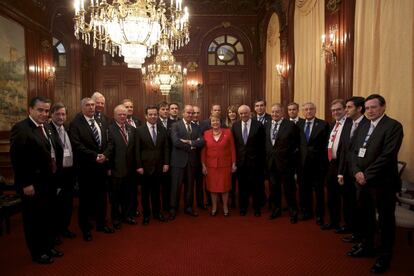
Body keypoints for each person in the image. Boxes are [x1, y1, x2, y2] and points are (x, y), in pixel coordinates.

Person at [348, 94, 403, 274]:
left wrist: (366, 175)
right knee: (366, 217)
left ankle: (385, 255)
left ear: (383, 107)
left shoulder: (393, 126)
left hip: (383, 184)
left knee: (386, 221)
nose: (370, 111)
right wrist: (356, 172)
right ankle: (367, 245)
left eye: (373, 107)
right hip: (362, 182)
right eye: (367, 108)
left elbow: (387, 156)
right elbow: (354, 151)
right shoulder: (363, 125)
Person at [10, 96, 63, 264]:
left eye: (46, 111)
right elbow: (17, 160)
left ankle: (48, 247)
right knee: (34, 220)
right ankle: (37, 252)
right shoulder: (21, 129)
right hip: (32, 184)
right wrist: (26, 184)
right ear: (30, 110)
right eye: (40, 110)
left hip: (48, 182)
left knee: (47, 217)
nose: (44, 113)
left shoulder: (46, 127)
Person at [69, 97, 114, 242]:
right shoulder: (76, 124)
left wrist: (105, 155)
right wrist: (95, 156)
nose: (91, 108)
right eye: (88, 105)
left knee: (102, 198)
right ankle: (86, 229)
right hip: (86, 169)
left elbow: (110, 142)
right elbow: (76, 145)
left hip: (101, 167)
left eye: (93, 105)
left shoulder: (101, 121)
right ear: (82, 107)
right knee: (86, 201)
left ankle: (101, 224)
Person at [338, 96, 369, 243]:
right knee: (349, 201)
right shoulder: (348, 123)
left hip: (360, 172)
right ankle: (352, 228)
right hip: (347, 171)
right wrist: (341, 172)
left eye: (349, 107)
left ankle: (361, 235)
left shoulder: (368, 124)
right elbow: (344, 150)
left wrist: (358, 172)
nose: (346, 110)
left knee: (360, 206)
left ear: (359, 108)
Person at [265, 104, 300, 223]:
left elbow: (296, 145)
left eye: (277, 112)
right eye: (273, 112)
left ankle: (293, 211)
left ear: (282, 113)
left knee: (289, 189)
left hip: (286, 164)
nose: (275, 114)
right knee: (274, 189)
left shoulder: (290, 125)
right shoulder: (267, 124)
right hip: (271, 163)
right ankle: (276, 210)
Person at [169, 105, 205, 219]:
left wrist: (190, 142)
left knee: (190, 187)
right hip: (178, 162)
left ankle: (188, 207)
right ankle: (173, 208)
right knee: (176, 187)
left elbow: (202, 141)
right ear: (183, 113)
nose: (190, 115)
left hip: (191, 162)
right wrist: (192, 145)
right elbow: (176, 142)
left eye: (192, 113)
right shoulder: (175, 125)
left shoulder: (196, 127)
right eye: (188, 113)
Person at [136, 106, 170, 225]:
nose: (153, 116)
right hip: (145, 167)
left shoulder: (162, 129)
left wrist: (166, 163)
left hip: (159, 166)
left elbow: (166, 147)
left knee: (156, 192)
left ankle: (157, 213)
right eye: (150, 114)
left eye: (155, 114)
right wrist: (139, 166)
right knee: (145, 193)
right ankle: (146, 215)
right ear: (146, 116)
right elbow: (137, 150)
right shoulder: (139, 130)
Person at [297, 102, 330, 225]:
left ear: (315, 110)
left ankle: (320, 214)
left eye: (311, 109)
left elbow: (327, 145)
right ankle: (307, 212)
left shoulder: (323, 124)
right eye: (306, 109)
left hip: (318, 165)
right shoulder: (298, 124)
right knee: (304, 190)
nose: (308, 111)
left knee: (319, 191)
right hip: (302, 164)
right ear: (303, 111)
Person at [232, 105, 265, 217]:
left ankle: (257, 208)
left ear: (250, 113)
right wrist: (234, 162)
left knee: (256, 186)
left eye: (245, 113)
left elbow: (262, 145)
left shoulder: (258, 125)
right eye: (241, 113)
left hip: (255, 162)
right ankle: (243, 207)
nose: (243, 115)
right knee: (242, 186)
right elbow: (234, 146)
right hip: (241, 162)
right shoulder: (235, 126)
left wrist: (262, 163)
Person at [49, 103, 76, 241]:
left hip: (69, 173)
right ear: (52, 115)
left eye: (63, 114)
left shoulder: (67, 128)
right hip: (56, 175)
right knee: (55, 206)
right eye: (58, 114)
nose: (61, 117)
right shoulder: (48, 130)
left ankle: (64, 228)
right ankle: (54, 233)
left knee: (67, 204)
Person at [107, 105, 137, 229]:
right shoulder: (109, 129)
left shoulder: (131, 129)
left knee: (128, 195)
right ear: (114, 115)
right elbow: (108, 149)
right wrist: (108, 168)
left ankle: (127, 216)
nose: (122, 116)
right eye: (120, 114)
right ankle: (116, 218)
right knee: (115, 197)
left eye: (124, 114)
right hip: (115, 169)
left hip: (129, 169)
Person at [201, 114, 236, 216]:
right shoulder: (206, 133)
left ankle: (225, 207)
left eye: (217, 121)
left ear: (220, 122)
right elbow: (203, 151)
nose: (215, 123)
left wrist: (233, 163)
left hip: (225, 165)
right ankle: (214, 207)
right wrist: (203, 165)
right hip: (211, 166)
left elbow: (232, 149)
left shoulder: (228, 132)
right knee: (213, 188)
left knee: (225, 187)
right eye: (213, 121)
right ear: (210, 123)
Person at [322, 99, 347, 231]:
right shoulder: (332, 125)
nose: (335, 112)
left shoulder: (349, 124)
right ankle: (334, 221)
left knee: (346, 197)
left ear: (345, 110)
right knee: (331, 195)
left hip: (343, 166)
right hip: (331, 164)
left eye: (338, 109)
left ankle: (348, 225)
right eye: (333, 110)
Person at [122, 98, 142, 218]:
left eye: (131, 107)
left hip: (135, 161)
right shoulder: (118, 122)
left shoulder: (138, 122)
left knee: (134, 189)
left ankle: (134, 209)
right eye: (127, 107)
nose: (129, 109)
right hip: (123, 162)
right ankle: (124, 211)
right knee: (124, 189)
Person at [192, 106, 208, 209]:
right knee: (189, 184)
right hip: (189, 158)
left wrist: (196, 142)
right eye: (194, 113)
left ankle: (201, 203)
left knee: (200, 183)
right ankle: (188, 205)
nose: (196, 115)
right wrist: (197, 141)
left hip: (202, 157)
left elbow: (204, 141)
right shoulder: (185, 125)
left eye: (198, 113)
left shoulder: (204, 125)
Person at [226, 105, 239, 208]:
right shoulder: (225, 125)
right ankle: (231, 199)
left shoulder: (240, 124)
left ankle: (237, 199)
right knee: (231, 179)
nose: (231, 114)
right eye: (230, 112)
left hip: (240, 154)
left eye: (233, 112)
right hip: (228, 156)